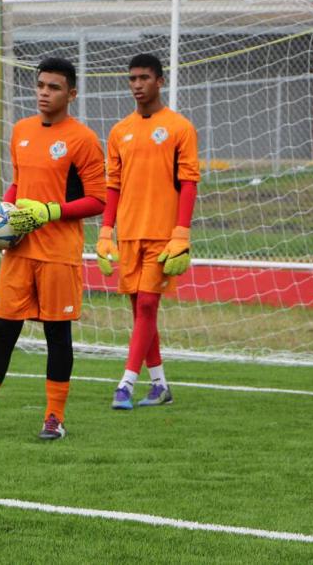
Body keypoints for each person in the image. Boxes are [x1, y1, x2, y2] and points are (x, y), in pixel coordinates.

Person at [0, 57, 105, 440]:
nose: (44, 93)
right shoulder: (21, 131)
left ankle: (54, 418)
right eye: (40, 86)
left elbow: (98, 200)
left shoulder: (82, 140)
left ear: (71, 93)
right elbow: (18, 185)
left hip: (58, 255)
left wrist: (52, 211)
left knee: (57, 336)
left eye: (53, 87)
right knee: (2, 333)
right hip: (20, 253)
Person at [97, 54, 200, 410]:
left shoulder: (179, 128)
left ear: (160, 81)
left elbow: (188, 184)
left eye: (144, 78)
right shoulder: (119, 131)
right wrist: (105, 232)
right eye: (132, 79)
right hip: (128, 234)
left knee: (146, 304)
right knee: (141, 310)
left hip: (162, 235)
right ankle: (160, 386)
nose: (137, 84)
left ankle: (125, 384)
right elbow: (113, 186)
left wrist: (181, 233)